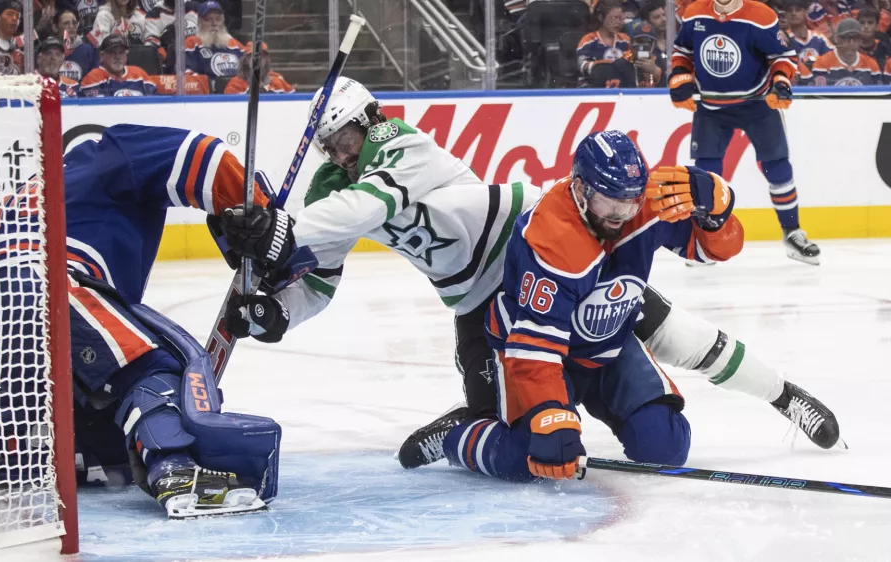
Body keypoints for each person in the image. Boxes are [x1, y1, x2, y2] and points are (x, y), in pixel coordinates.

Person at [213, 78, 841, 472]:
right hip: (490, 299)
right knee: (518, 443)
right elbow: (319, 281)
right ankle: (467, 433)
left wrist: (720, 205)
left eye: (342, 137)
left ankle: (786, 396)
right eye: (328, 145)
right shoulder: (334, 188)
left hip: (520, 253)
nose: (338, 152)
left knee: (669, 330)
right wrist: (277, 307)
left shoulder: (400, 145)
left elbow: (374, 202)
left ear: (367, 119)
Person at [0, 125, 281, 518]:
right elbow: (205, 155)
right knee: (150, 366)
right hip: (45, 283)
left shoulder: (31, 188)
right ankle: (177, 472)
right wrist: (258, 209)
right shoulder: (113, 149)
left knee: (73, 387)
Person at [410, 132, 741, 482]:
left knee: (665, 446)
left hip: (609, 346)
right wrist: (550, 414)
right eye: (610, 205)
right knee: (529, 461)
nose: (621, 216)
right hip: (541, 352)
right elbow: (534, 346)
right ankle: (457, 435)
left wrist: (716, 215)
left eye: (630, 204)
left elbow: (713, 250)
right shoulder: (551, 236)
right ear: (581, 189)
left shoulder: (641, 204)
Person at [670, 0, 821, 265]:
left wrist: (781, 82)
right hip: (711, 106)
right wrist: (680, 78)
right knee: (707, 174)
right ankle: (706, 240)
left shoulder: (761, 16)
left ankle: (792, 232)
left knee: (778, 168)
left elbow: (782, 57)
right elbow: (682, 51)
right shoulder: (694, 13)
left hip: (757, 103)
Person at [80, 34, 158, 96]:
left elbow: (154, 103)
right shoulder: (93, 78)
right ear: (101, 56)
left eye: (121, 53)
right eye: (112, 53)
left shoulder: (139, 74)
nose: (117, 57)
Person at [184, 1, 243, 82]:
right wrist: (208, 85)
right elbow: (185, 73)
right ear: (200, 22)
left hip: (236, 92)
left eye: (218, 19)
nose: (214, 23)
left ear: (222, 22)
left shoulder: (235, 45)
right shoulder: (192, 43)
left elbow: (249, 72)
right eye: (208, 19)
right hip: (208, 93)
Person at [576, 0, 632, 85]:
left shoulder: (625, 40)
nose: (618, 22)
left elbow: (632, 63)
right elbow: (582, 65)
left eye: (621, 18)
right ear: (601, 17)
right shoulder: (588, 40)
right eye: (614, 18)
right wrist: (604, 66)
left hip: (620, 86)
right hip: (593, 86)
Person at [812, 18, 883, 84]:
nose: (851, 43)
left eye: (855, 38)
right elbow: (820, 95)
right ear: (836, 38)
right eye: (846, 38)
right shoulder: (822, 64)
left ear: (860, 40)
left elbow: (878, 94)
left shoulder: (871, 65)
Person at [223, 41, 294, 94]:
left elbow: (296, 105)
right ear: (246, 60)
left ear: (266, 60)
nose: (257, 59)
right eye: (254, 56)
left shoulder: (278, 83)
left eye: (261, 56)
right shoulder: (235, 84)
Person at [784, 0, 834, 69]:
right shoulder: (783, 38)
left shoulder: (819, 37)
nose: (793, 13)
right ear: (786, 15)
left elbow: (833, 57)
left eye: (798, 10)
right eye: (789, 11)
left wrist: (814, 61)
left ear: (805, 13)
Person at [54, 8, 99, 82]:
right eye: (66, 23)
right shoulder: (50, 50)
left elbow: (95, 78)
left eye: (74, 23)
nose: (71, 26)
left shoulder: (88, 50)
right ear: (56, 27)